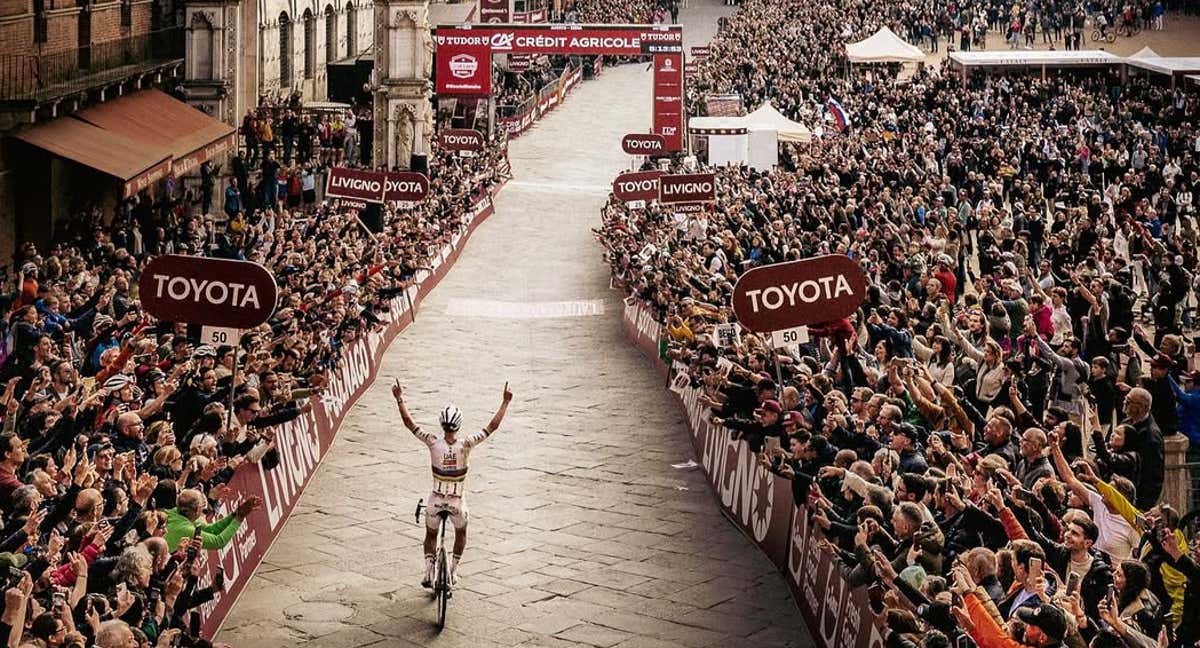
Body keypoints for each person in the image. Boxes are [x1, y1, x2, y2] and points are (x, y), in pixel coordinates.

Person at [393, 379, 513, 588]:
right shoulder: (466, 444)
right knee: (461, 532)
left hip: (436, 500)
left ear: (441, 423)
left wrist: (399, 398)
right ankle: (454, 571)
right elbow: (492, 427)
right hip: (457, 502)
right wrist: (505, 402)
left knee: (430, 534)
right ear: (459, 424)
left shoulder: (432, 442)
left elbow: (409, 423)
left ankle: (429, 573)